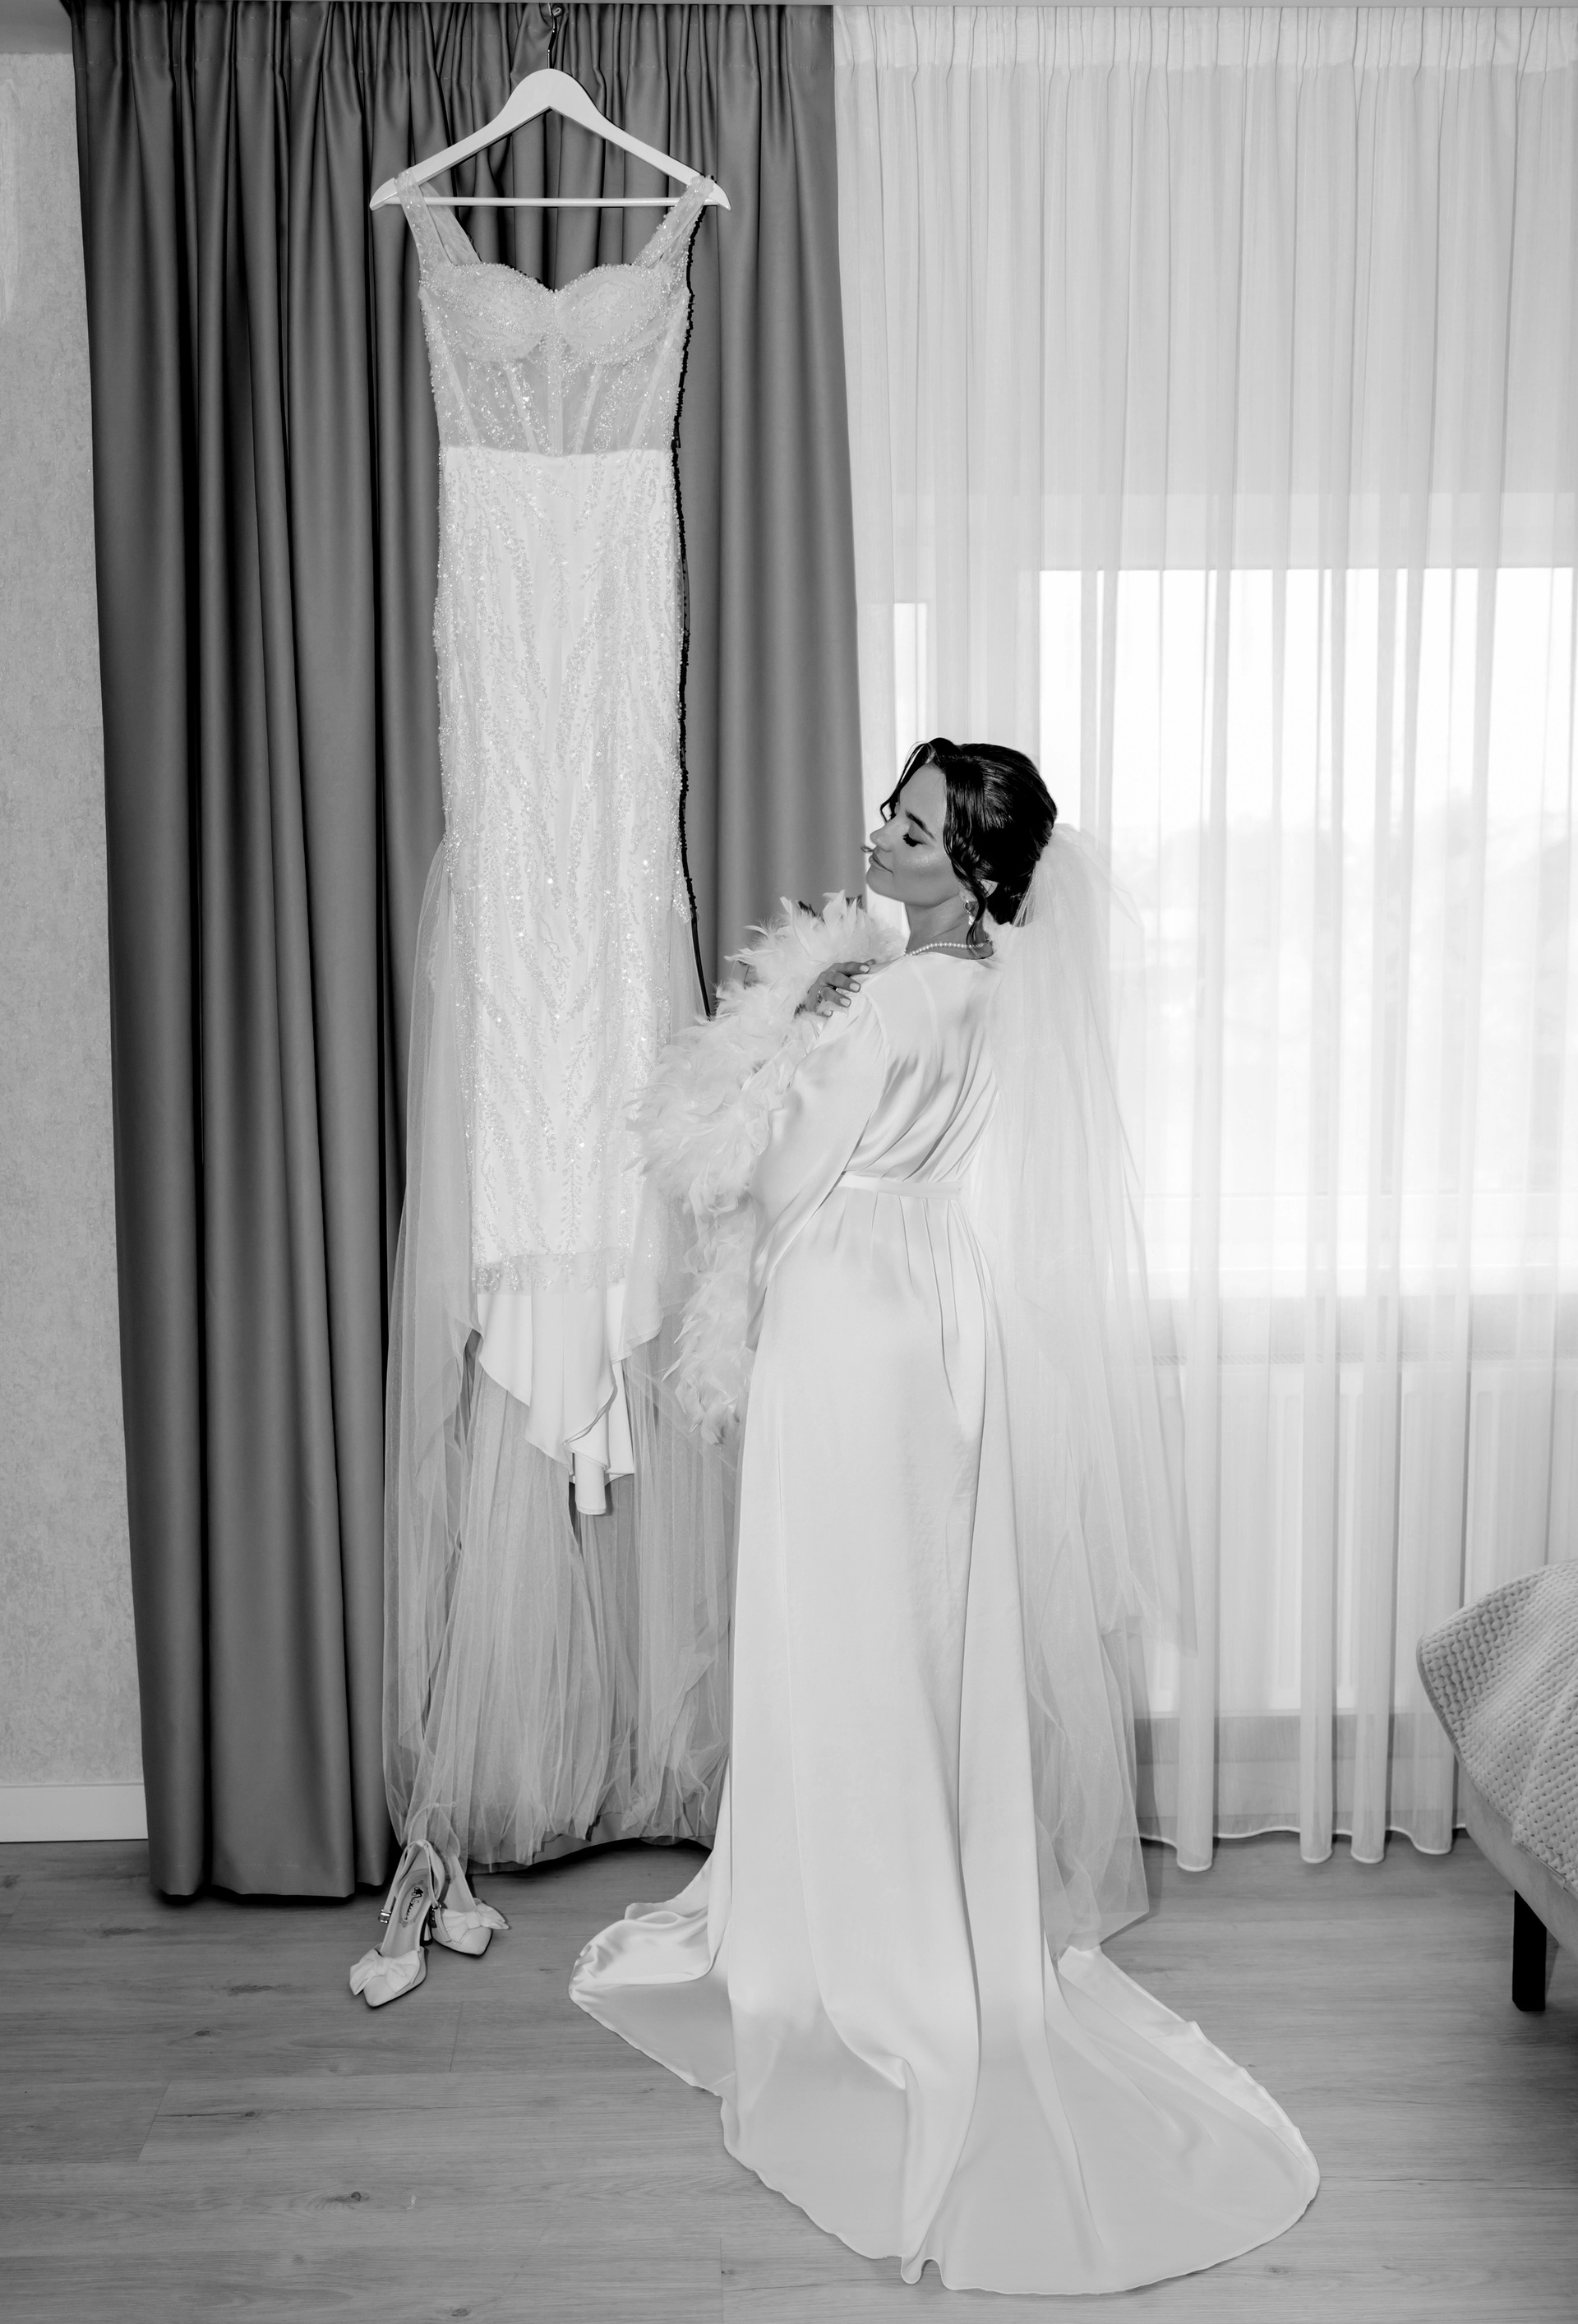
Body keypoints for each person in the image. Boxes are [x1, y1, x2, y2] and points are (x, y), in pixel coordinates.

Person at [570, 740, 1319, 2294]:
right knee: (918, 1629)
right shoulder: (987, 992)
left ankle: (845, 1945)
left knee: (837, 1627)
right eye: (892, 813)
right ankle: (932, 1904)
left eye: (911, 828)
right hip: (938, 1317)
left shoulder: (894, 998)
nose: (881, 836)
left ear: (970, 870)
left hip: (849, 1313)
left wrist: (784, 1048)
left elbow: (784, 1176)